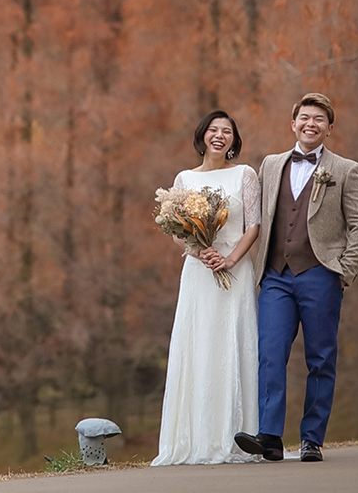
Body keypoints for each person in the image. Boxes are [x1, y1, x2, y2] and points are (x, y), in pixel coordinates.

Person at [235, 93, 358, 463]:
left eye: (319, 120)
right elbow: (253, 216)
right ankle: (270, 437)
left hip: (320, 275)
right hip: (276, 276)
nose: (311, 124)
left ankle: (312, 438)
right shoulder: (270, 164)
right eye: (304, 118)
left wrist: (344, 269)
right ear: (292, 123)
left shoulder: (346, 169)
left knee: (321, 358)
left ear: (329, 128)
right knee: (270, 354)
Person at [153, 110, 263, 465]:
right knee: (198, 345)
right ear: (202, 136)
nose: (220, 135)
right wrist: (199, 251)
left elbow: (253, 225)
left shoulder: (245, 174)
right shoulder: (184, 178)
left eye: (227, 131)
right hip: (199, 273)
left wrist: (229, 260)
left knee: (234, 343)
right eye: (213, 130)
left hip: (235, 271)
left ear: (234, 140)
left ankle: (237, 436)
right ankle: (195, 437)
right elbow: (175, 232)